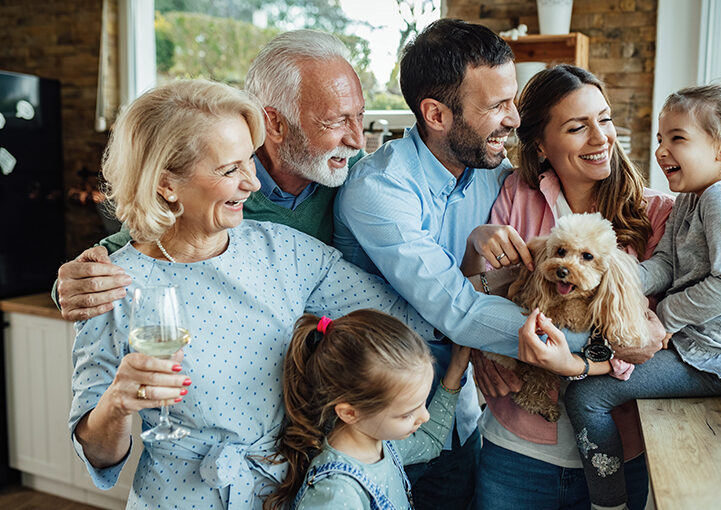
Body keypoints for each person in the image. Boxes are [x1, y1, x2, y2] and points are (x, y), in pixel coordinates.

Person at [69, 79, 441, 509]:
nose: (253, 183)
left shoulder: (283, 251)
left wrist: (486, 280)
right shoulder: (108, 285)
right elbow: (96, 454)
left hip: (280, 493)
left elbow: (410, 314)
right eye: (230, 170)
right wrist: (117, 404)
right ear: (167, 185)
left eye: (250, 161)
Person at [333, 19, 595, 508]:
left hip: (458, 417)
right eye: (496, 106)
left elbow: (507, 281)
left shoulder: (496, 177)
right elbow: (458, 310)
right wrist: (593, 347)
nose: (513, 119)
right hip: (374, 427)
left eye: (511, 100)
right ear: (435, 113)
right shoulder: (379, 189)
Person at [523, 83, 721, 510]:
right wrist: (607, 276)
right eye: (660, 138)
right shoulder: (691, 198)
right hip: (692, 347)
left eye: (677, 139)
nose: (661, 151)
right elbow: (665, 266)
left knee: (586, 396)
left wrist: (666, 317)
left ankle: (608, 503)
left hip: (709, 359)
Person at [463, 65, 673, 510]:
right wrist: (482, 350)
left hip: (619, 448)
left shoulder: (656, 214)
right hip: (516, 449)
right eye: (578, 127)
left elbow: (658, 338)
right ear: (540, 144)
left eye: (606, 119)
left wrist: (581, 360)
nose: (601, 138)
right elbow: (476, 296)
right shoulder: (515, 196)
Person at [55, 29, 365, 321]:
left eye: (360, 116)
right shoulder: (215, 195)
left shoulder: (361, 175)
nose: (357, 141)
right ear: (275, 123)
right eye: (335, 122)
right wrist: (71, 286)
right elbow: (133, 250)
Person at [266, 310, 471, 509]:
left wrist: (454, 372)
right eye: (407, 414)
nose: (424, 416)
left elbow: (430, 442)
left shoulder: (382, 441)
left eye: (422, 404)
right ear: (350, 413)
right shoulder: (337, 492)